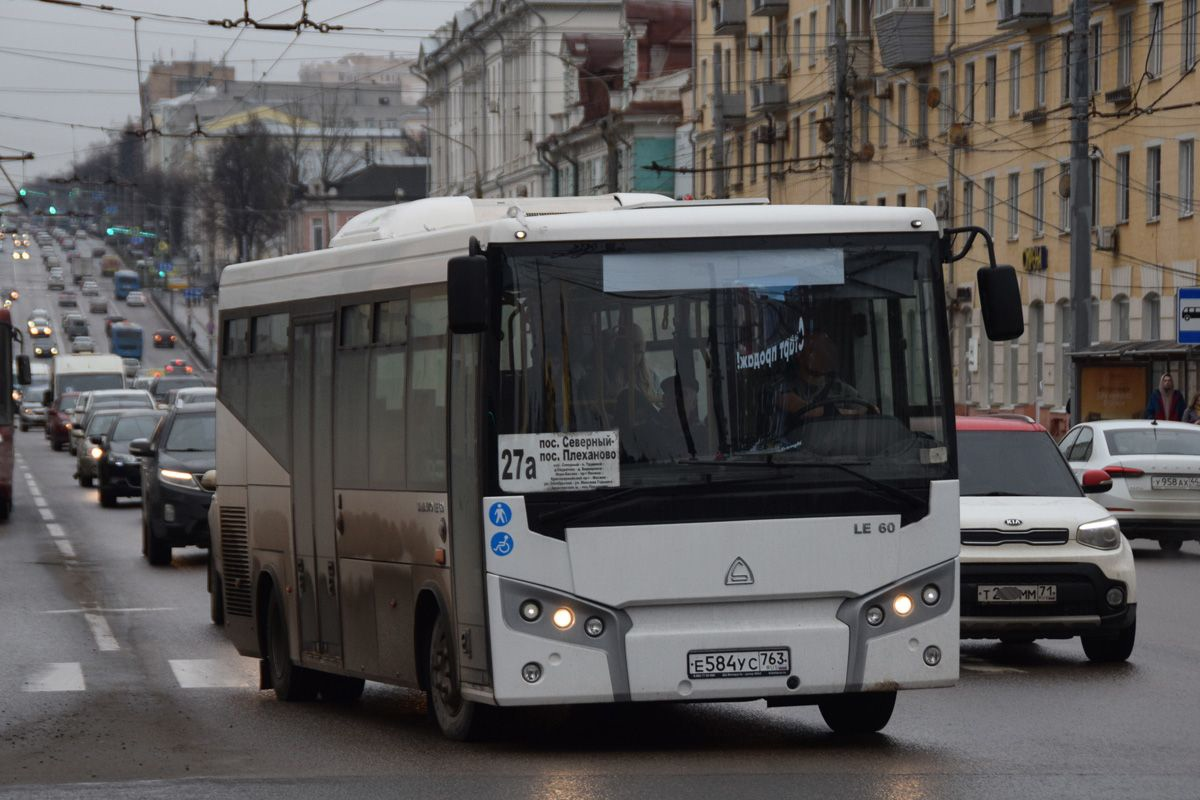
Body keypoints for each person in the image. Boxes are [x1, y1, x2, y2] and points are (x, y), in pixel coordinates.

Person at [777, 331, 869, 420]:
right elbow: (805, 410)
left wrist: (860, 412)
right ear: (799, 355)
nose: (822, 355)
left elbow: (869, 412)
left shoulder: (840, 389)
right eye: (813, 350)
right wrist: (851, 413)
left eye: (825, 350)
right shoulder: (785, 387)